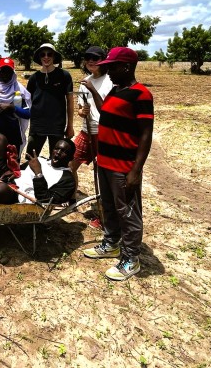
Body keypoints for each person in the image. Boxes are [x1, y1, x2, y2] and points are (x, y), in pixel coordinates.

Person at [81, 47, 154, 282]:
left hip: (123, 166)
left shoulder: (141, 94)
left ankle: (131, 258)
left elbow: (145, 135)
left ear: (126, 67)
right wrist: (92, 92)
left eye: (112, 66)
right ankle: (112, 243)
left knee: (128, 211)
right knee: (109, 205)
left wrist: (135, 170)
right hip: (105, 161)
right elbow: (105, 112)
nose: (108, 70)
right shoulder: (116, 90)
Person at [71, 47, 113, 229]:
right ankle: (70, 198)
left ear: (104, 60)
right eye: (88, 58)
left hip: (103, 133)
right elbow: (80, 109)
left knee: (102, 175)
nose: (91, 61)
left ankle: (105, 216)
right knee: (70, 164)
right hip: (85, 131)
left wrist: (92, 91)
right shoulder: (85, 81)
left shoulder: (110, 81)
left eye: (95, 58)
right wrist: (82, 112)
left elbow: (109, 110)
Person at [25, 43, 74, 158]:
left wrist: (70, 126)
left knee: (57, 160)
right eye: (43, 54)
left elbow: (70, 102)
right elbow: (27, 102)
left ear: (54, 56)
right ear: (39, 57)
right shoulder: (34, 78)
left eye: (49, 54)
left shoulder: (64, 75)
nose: (46, 57)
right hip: (37, 125)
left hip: (57, 125)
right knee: (30, 158)